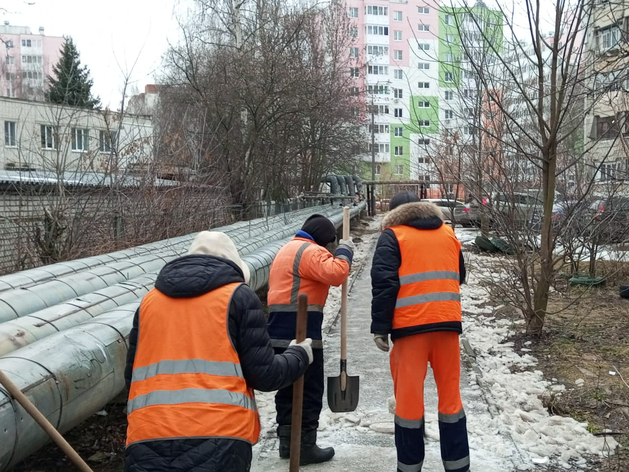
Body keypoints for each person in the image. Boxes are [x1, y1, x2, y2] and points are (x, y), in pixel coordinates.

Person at [124, 231, 314, 472]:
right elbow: (265, 375)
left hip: (147, 436)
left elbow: (132, 380)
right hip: (219, 438)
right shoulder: (237, 297)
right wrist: (299, 355)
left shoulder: (148, 303)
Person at [371, 192, 470, 472]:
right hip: (447, 326)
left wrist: (380, 327)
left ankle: (409, 467)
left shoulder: (393, 236)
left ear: (395, 213)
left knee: (409, 403)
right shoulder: (448, 234)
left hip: (410, 328)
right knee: (451, 399)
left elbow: (384, 284)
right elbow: (459, 274)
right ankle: (459, 467)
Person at [267, 214, 354, 465]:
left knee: (287, 389)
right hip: (301, 330)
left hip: (278, 331)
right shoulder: (309, 251)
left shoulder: (287, 248)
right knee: (309, 389)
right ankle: (304, 445)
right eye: (329, 244)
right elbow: (336, 273)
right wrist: (345, 251)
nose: (329, 249)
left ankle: (287, 442)